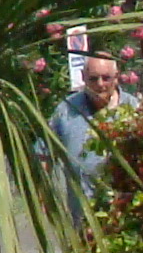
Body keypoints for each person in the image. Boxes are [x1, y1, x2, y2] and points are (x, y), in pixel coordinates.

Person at [51, 51, 129, 187]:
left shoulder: (134, 110)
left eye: (106, 78)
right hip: (80, 206)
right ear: (83, 77)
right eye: (93, 78)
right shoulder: (66, 110)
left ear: (116, 77)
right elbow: (43, 155)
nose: (100, 84)